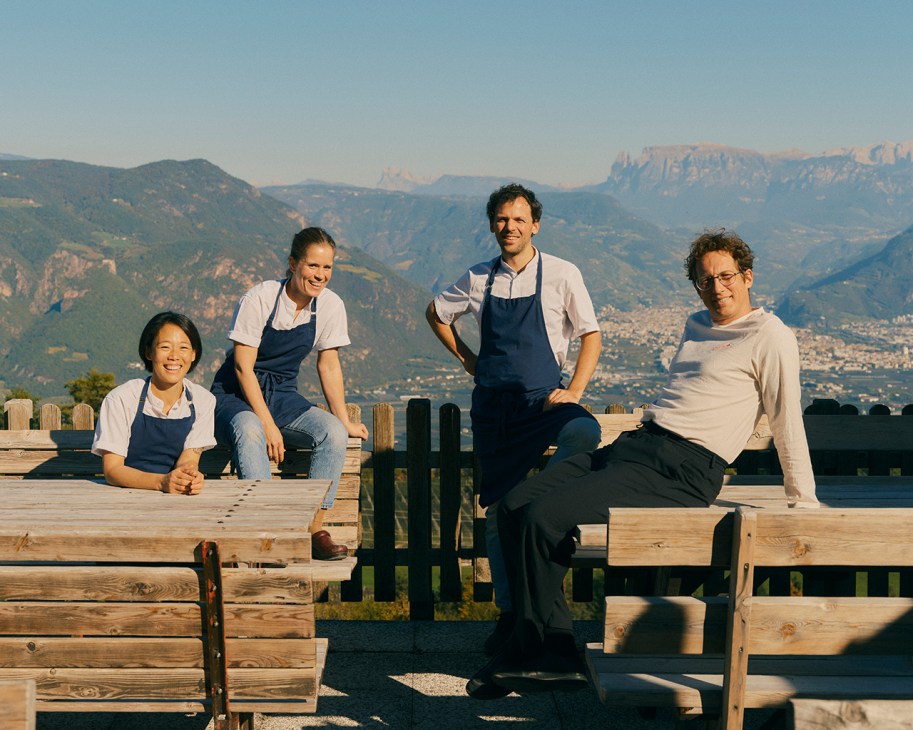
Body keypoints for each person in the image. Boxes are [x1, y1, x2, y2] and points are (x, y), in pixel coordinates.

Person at [467, 229, 819, 700]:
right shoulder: (696, 324)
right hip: (638, 446)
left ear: (748, 276)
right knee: (511, 507)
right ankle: (542, 645)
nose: (717, 287)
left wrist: (804, 502)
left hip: (684, 468)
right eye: (705, 279)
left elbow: (785, 418)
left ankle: (540, 650)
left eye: (727, 276)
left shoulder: (770, 335)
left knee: (544, 518)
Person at [426, 183, 603, 654]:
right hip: (494, 409)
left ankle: (550, 497)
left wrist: (574, 392)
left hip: (544, 401)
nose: (510, 227)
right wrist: (466, 357)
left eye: (519, 220)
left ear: (535, 225)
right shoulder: (478, 277)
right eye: (502, 220)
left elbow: (591, 336)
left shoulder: (563, 274)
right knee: (496, 512)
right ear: (492, 225)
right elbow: (436, 312)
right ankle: (509, 614)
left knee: (585, 428)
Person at [210, 227, 369, 560]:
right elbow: (242, 368)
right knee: (251, 430)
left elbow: (329, 366)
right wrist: (267, 424)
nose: (320, 275)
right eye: (313, 266)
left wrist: (343, 420)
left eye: (327, 268)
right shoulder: (261, 298)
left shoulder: (329, 306)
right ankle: (270, 530)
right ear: (294, 263)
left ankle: (314, 528)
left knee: (334, 435)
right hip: (235, 392)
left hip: (283, 393)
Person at [92, 311, 216, 494]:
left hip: (174, 497)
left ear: (193, 355)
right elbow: (112, 470)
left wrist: (189, 475)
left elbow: (189, 457)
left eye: (183, 348)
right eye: (165, 347)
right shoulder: (122, 399)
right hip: (124, 495)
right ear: (149, 352)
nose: (174, 356)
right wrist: (161, 482)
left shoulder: (203, 401)